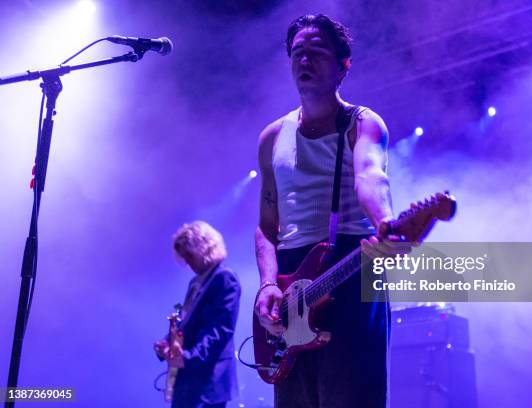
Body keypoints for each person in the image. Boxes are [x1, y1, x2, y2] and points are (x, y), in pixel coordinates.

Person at [254, 14, 396, 408]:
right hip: (291, 281)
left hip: (352, 265)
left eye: (316, 52)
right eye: (297, 53)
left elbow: (370, 175)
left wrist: (385, 222)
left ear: (343, 66)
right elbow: (267, 226)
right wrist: (268, 284)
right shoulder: (271, 137)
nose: (304, 61)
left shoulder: (363, 123)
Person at [155, 221, 241, 408]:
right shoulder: (195, 282)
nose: (187, 262)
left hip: (209, 382)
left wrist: (187, 358)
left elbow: (220, 330)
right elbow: (186, 324)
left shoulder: (224, 278)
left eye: (189, 255)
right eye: (183, 257)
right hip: (188, 380)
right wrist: (166, 343)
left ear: (204, 247)